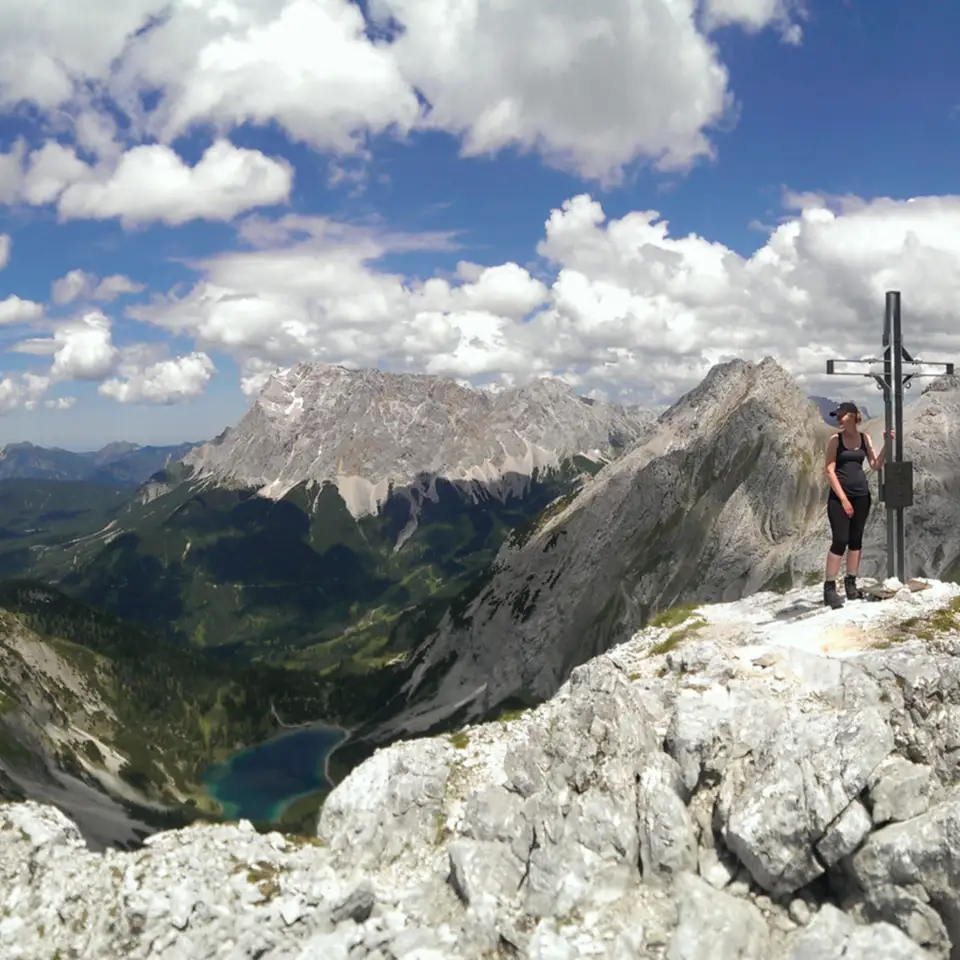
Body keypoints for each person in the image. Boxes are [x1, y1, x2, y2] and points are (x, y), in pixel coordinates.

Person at [822, 401, 893, 608]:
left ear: (853, 415)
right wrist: (843, 499)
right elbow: (829, 471)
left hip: (862, 496)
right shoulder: (836, 440)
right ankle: (829, 588)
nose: (838, 417)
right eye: (837, 415)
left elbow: (875, 465)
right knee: (840, 540)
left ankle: (851, 584)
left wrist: (887, 444)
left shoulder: (864, 438)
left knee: (856, 541)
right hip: (839, 498)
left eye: (841, 414)